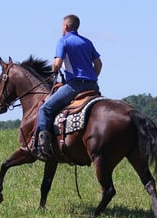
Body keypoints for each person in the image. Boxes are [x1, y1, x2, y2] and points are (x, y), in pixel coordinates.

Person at [35, 14, 103, 161]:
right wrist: (93, 78)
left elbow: (58, 64)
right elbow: (98, 64)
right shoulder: (87, 42)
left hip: (74, 86)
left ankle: (43, 147)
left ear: (65, 27)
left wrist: (54, 68)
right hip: (93, 86)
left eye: (62, 26)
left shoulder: (63, 41)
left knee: (45, 109)